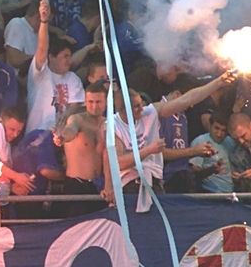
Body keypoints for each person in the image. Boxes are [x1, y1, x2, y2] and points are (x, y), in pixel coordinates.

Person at [101, 72, 236, 203]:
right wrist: (149, 150)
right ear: (124, 109)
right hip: (130, 186)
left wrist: (217, 83)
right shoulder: (113, 126)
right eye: (137, 106)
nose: (142, 108)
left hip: (155, 183)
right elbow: (118, 163)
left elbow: (187, 99)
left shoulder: (150, 112)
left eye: (141, 103)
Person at [26, 0, 85, 132]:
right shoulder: (40, 72)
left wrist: (67, 114)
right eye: (65, 56)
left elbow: (76, 104)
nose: (69, 60)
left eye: (70, 56)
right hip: (37, 134)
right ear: (51, 57)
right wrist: (44, 21)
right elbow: (42, 47)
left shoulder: (73, 78)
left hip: (60, 136)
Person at [55, 80, 110, 217]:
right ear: (85, 101)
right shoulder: (77, 119)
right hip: (76, 185)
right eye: (90, 102)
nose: (94, 106)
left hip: (99, 186)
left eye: (98, 102)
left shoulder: (109, 123)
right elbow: (70, 130)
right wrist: (62, 137)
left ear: (106, 102)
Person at [189, 114, 236, 193]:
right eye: (216, 128)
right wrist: (211, 170)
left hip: (230, 192)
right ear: (210, 126)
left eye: (223, 130)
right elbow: (193, 174)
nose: (219, 134)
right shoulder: (200, 141)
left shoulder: (229, 142)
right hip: (209, 191)